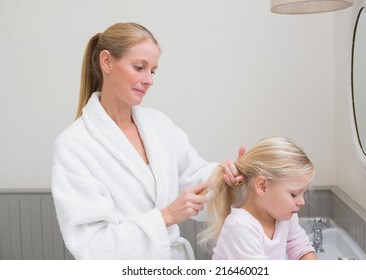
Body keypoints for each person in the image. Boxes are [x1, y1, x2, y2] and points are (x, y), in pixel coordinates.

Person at [51, 22, 243, 260]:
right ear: (107, 62)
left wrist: (230, 179)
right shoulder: (74, 145)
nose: (149, 80)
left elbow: (197, 178)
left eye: (152, 71)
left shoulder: (159, 125)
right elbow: (92, 245)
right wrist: (166, 217)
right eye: (140, 67)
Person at [199, 137, 317, 260]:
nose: (301, 201)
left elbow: (302, 249)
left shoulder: (285, 216)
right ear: (263, 187)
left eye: (303, 193)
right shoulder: (240, 227)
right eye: (294, 194)